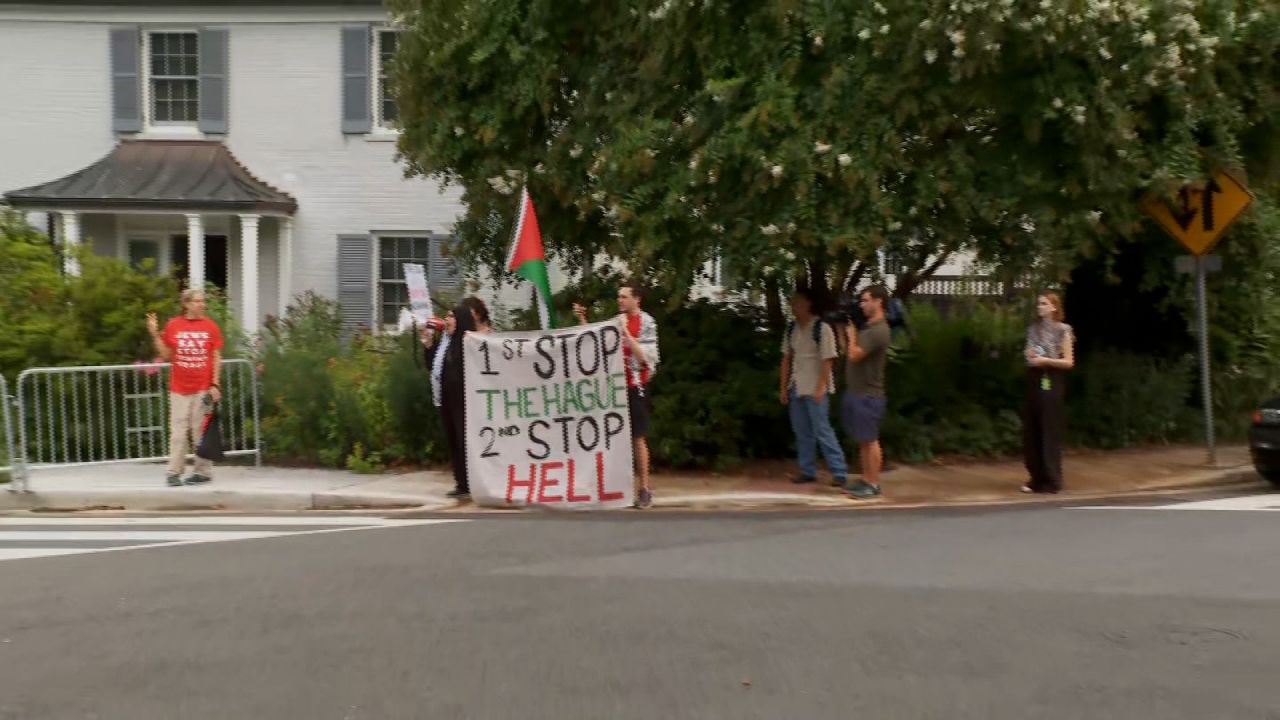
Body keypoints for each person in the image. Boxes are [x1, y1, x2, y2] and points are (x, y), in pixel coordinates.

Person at [573, 283, 660, 509]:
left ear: (636, 299)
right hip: (615, 387)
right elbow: (596, 343)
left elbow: (646, 358)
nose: (619, 301)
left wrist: (627, 333)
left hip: (636, 385)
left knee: (638, 437)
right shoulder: (616, 320)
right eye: (618, 297)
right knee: (613, 438)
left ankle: (644, 488)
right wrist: (583, 321)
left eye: (624, 297)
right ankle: (613, 486)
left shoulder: (647, 323)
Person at [146, 288, 223, 487]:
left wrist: (215, 384)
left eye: (203, 301)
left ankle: (203, 472)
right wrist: (154, 334)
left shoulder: (210, 327)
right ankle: (173, 472)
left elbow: (216, 357)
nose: (202, 304)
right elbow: (165, 355)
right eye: (197, 301)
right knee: (178, 431)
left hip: (202, 387)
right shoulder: (174, 325)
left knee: (200, 431)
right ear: (186, 304)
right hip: (179, 387)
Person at [779, 288, 848, 489]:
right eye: (792, 303)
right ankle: (807, 470)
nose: (794, 307)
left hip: (815, 386)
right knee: (802, 431)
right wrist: (783, 387)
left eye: (798, 303)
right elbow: (786, 358)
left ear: (808, 304)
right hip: (796, 385)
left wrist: (821, 387)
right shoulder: (791, 328)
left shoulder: (822, 328)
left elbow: (828, 359)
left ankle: (839, 471)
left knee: (822, 429)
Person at [439, 297, 493, 500]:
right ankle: (461, 482)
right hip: (449, 399)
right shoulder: (449, 344)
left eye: (452, 316)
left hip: (465, 401)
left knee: (465, 441)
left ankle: (472, 481)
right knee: (454, 440)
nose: (447, 320)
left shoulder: (469, 343)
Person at [1022, 292, 1074, 494]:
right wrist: (1032, 356)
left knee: (1048, 427)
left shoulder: (1063, 330)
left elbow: (1069, 362)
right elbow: (1029, 353)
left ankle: (1052, 479)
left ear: (1054, 307)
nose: (1040, 307)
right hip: (1035, 377)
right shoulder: (1033, 330)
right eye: (1038, 303)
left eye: (1044, 304)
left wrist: (1047, 361)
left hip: (1052, 378)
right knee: (1032, 427)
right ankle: (1036, 477)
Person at [843, 284, 892, 499]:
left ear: (878, 302)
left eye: (865, 300)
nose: (862, 305)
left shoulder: (879, 330)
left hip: (869, 394)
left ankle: (874, 484)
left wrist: (851, 333)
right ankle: (865, 478)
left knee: (871, 440)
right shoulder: (868, 327)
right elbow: (849, 350)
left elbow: (854, 355)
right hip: (857, 391)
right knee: (863, 440)